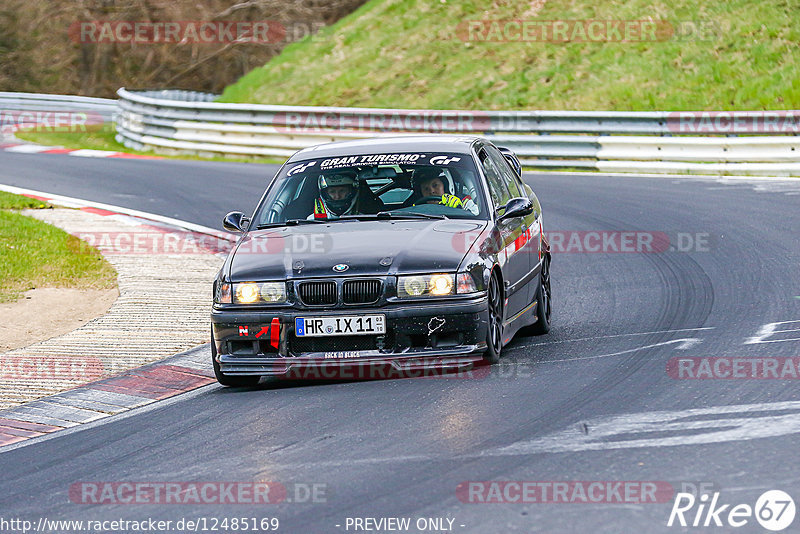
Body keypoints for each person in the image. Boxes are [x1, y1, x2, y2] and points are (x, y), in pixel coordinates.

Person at [410, 167, 479, 214]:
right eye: (426, 189)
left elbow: (478, 214)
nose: (431, 191)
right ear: (420, 193)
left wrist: (460, 209)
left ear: (446, 185)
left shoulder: (464, 203)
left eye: (435, 185)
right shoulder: (412, 210)